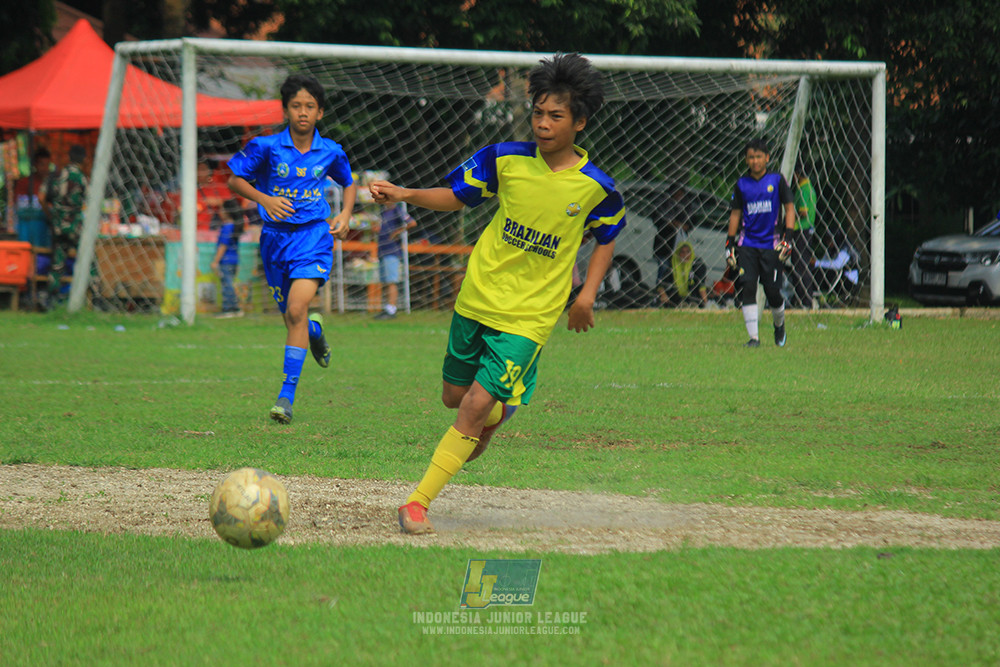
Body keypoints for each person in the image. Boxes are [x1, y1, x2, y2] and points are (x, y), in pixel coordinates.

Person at [369, 52, 624, 535]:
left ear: (581, 122)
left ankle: (417, 503)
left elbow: (607, 237)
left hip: (530, 319)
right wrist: (406, 193)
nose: (543, 124)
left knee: (472, 407)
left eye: (556, 116)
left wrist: (587, 295)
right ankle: (502, 405)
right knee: (453, 397)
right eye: (538, 113)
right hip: (477, 298)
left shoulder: (597, 188)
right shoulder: (504, 159)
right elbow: (456, 196)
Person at [227, 74, 358, 424]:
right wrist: (264, 198)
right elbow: (234, 179)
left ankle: (286, 396)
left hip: (313, 237)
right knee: (293, 318)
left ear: (320, 112)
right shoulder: (266, 147)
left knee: (297, 309)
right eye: (297, 105)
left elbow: (349, 183)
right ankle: (314, 332)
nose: (303, 112)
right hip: (274, 240)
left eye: (310, 107)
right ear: (286, 110)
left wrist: (345, 214)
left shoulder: (331, 151)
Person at [726, 138, 795, 347]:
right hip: (747, 244)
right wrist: (729, 243)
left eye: (758, 156)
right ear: (746, 160)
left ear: (766, 158)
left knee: (772, 291)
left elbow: (790, 208)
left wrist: (788, 238)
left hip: (772, 244)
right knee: (747, 286)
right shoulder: (741, 184)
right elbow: (735, 214)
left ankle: (779, 324)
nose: (755, 161)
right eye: (750, 157)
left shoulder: (777, 180)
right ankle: (754, 338)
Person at [47, 145, 89, 304]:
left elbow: (43, 197)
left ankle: (52, 298)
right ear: (84, 159)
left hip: (58, 226)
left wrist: (52, 215)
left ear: (69, 157)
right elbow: (89, 200)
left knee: (57, 261)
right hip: (75, 227)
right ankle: (96, 296)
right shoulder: (82, 177)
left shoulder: (58, 175)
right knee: (88, 258)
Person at [374, 202, 416, 320]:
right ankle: (387, 308)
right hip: (382, 250)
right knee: (386, 281)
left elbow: (412, 222)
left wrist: (398, 232)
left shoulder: (397, 210)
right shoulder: (383, 212)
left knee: (391, 280)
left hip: (392, 250)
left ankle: (392, 310)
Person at [210, 200, 246, 318]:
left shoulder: (227, 227)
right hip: (234, 260)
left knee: (227, 285)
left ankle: (230, 309)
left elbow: (223, 246)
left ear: (227, 211)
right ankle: (232, 308)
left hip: (226, 260)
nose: (220, 212)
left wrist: (215, 261)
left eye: (221, 209)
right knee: (228, 284)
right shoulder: (235, 226)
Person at [791, 167, 817, 308]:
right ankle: (803, 299)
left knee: (800, 266)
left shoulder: (803, 189)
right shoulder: (810, 187)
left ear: (798, 174)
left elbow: (803, 212)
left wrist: (789, 216)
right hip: (807, 230)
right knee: (802, 265)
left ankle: (804, 300)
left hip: (802, 230)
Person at [811, 231, 860, 304]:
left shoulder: (845, 247)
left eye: (830, 239)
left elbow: (837, 265)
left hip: (848, 281)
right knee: (817, 271)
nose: (828, 242)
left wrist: (816, 263)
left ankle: (812, 296)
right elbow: (825, 261)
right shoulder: (832, 249)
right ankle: (812, 295)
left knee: (820, 273)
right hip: (838, 277)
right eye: (827, 240)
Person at [656, 241, 708, 308]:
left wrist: (706, 303)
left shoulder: (697, 265)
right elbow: (661, 285)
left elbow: (702, 287)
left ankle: (691, 305)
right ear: (678, 253)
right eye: (682, 252)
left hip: (693, 296)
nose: (685, 255)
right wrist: (663, 295)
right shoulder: (672, 265)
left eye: (688, 252)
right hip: (675, 298)